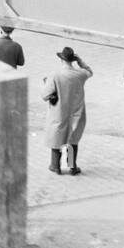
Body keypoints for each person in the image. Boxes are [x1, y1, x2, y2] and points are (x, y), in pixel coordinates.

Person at [44, 46, 93, 175]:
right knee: (73, 139)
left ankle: (55, 166)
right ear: (72, 59)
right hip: (76, 112)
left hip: (59, 112)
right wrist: (80, 61)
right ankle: (72, 166)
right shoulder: (80, 74)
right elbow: (89, 71)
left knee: (57, 137)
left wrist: (46, 84)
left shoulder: (55, 75)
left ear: (61, 60)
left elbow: (45, 95)